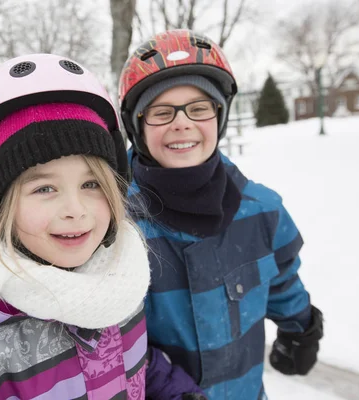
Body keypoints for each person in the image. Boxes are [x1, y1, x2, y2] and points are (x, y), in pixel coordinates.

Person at [0, 53, 206, 400]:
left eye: (92, 184)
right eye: (44, 188)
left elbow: (130, 361)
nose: (75, 210)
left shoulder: (119, 284)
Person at [117, 30, 324, 400]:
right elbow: (105, 336)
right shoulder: (113, 227)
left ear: (219, 117)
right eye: (162, 112)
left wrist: (300, 328)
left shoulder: (262, 210)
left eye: (198, 108)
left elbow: (281, 279)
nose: (182, 123)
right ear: (137, 126)